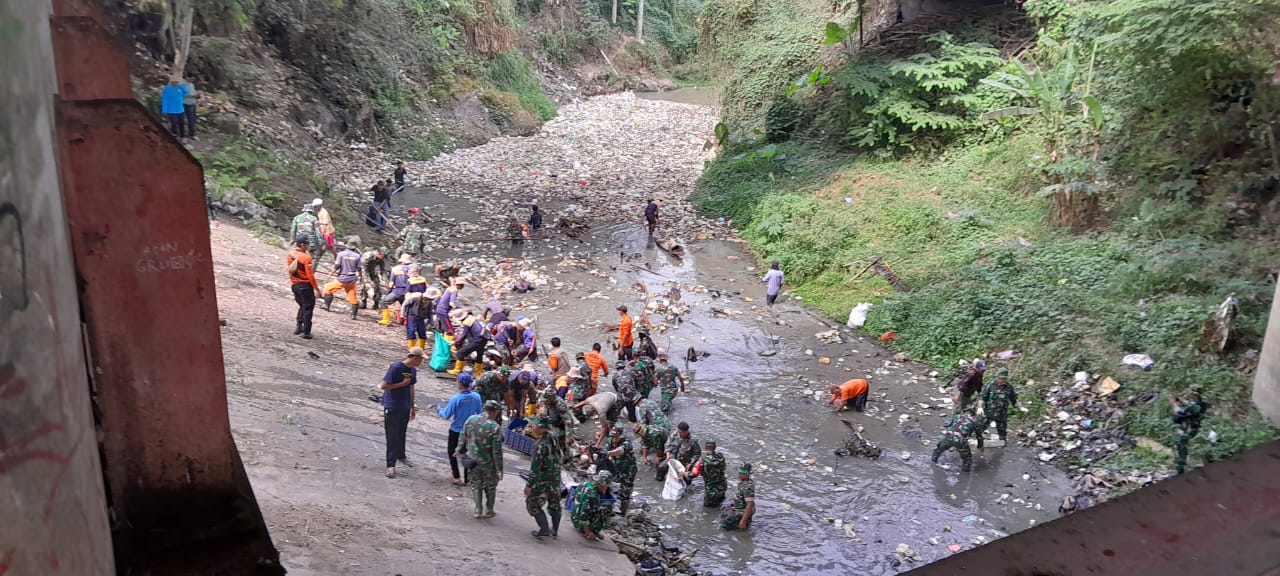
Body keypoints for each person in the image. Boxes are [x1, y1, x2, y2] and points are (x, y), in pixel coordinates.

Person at [381, 347, 423, 478]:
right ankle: (390, 465)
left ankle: (401, 455)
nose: (421, 362)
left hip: (404, 406)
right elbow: (384, 386)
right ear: (415, 358)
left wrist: (412, 406)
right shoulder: (396, 368)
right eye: (421, 359)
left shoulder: (412, 370)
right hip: (393, 405)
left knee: (401, 432)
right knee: (392, 435)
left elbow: (411, 387)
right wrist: (400, 384)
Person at [458, 400, 504, 518]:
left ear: (484, 408)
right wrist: (499, 469)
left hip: (472, 459)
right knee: (491, 485)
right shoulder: (495, 427)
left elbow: (463, 436)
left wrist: (459, 449)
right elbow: (497, 451)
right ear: (496, 411)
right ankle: (489, 509)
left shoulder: (471, 419)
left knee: (475, 483)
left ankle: (478, 509)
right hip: (488, 462)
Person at [438, 371, 482, 486]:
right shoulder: (477, 397)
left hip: (456, 430)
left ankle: (456, 476)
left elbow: (446, 415)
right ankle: (468, 478)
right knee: (467, 453)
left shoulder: (456, 399)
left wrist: (439, 409)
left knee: (452, 452)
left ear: (460, 384)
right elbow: (480, 413)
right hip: (470, 431)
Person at [524, 417, 563, 539]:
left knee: (533, 503)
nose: (533, 428)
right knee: (555, 504)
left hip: (543, 479)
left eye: (535, 426)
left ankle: (544, 529)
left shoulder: (541, 445)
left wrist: (529, 485)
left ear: (541, 427)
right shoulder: (554, 436)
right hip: (555, 478)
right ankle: (554, 530)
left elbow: (536, 468)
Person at [931, 406, 984, 472]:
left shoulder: (956, 417)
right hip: (961, 441)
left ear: (963, 412)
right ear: (973, 414)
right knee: (967, 460)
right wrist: (980, 446)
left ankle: (932, 463)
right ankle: (965, 475)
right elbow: (979, 437)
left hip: (949, 437)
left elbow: (949, 424)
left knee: (938, 450)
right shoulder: (975, 422)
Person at [286, 235, 319, 339]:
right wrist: (316, 288)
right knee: (308, 308)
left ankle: (298, 326)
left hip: (295, 285)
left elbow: (290, 270)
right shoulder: (306, 258)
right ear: (302, 245)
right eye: (307, 244)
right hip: (305, 286)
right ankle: (306, 332)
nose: (309, 246)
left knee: (302, 306)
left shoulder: (290, 254)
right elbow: (310, 275)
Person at [1171, 389, 1209, 474]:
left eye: (1192, 394)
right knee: (1181, 446)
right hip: (1193, 429)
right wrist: (1181, 401)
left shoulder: (1197, 406)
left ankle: (1181, 469)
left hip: (1189, 430)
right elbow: (1189, 405)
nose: (1190, 396)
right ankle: (1182, 467)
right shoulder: (1200, 405)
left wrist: (1174, 405)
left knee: (1180, 446)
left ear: (1194, 395)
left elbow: (1180, 414)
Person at [321, 243, 363, 319]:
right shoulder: (357, 256)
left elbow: (337, 266)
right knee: (352, 297)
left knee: (327, 288)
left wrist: (330, 274)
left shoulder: (341, 254)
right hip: (352, 280)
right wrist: (361, 277)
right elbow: (359, 269)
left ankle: (326, 305)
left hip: (342, 279)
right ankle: (353, 315)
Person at [605, 425, 638, 515]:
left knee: (625, 492)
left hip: (628, 470)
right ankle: (610, 507)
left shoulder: (627, 443)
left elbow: (619, 451)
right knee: (611, 487)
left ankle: (623, 512)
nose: (614, 439)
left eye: (616, 437)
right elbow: (606, 449)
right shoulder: (611, 440)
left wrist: (609, 453)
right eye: (613, 437)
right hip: (617, 468)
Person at [572, 470, 613, 541]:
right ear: (601, 484)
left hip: (574, 517)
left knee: (597, 506)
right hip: (580, 523)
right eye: (606, 486)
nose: (606, 488)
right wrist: (588, 532)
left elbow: (573, 498)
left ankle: (589, 528)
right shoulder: (593, 496)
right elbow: (583, 515)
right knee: (607, 507)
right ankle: (593, 530)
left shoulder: (585, 484)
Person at [980, 368, 1018, 442]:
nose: (1003, 380)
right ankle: (980, 440)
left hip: (1002, 413)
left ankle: (1002, 442)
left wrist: (1020, 407)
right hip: (989, 412)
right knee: (981, 426)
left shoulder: (1009, 387)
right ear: (997, 377)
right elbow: (982, 397)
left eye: (1005, 379)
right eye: (1001, 378)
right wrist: (980, 408)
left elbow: (1014, 400)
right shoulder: (990, 385)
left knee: (1002, 431)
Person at [537, 385, 573, 456]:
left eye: (547, 401)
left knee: (559, 442)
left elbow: (567, 421)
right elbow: (542, 407)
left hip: (560, 424)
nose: (545, 402)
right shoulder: (545, 400)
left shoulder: (559, 404)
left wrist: (568, 435)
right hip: (551, 419)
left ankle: (564, 455)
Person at [379, 254, 413, 325]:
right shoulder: (411, 270)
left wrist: (389, 291)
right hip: (407, 292)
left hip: (397, 291)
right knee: (406, 306)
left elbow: (391, 283)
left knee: (383, 302)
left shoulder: (395, 269)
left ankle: (386, 320)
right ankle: (406, 321)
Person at [720, 463, 755, 531]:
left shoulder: (747, 487)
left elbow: (750, 504)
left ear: (747, 474)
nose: (739, 475)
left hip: (742, 510)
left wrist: (743, 521)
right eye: (739, 472)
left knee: (724, 525)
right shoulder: (743, 482)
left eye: (741, 473)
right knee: (724, 509)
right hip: (740, 506)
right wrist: (734, 503)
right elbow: (740, 496)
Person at [692, 438, 726, 508]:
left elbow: (693, 474)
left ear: (705, 447)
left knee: (708, 509)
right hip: (722, 487)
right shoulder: (721, 457)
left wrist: (683, 474)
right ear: (715, 447)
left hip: (711, 491)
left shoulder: (703, 461)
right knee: (720, 506)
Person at [635, 398, 668, 469]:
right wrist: (644, 457)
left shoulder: (654, 434)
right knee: (643, 449)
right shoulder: (644, 432)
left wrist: (658, 456)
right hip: (654, 431)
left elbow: (658, 447)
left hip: (663, 432)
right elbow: (644, 443)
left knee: (660, 459)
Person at [403, 266, 430, 350]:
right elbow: (427, 289)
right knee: (421, 330)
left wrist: (403, 313)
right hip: (422, 304)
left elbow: (407, 293)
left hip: (413, 306)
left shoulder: (409, 281)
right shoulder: (423, 279)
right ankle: (420, 349)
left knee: (411, 330)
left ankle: (412, 349)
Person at [360, 246, 387, 311]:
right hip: (363, 272)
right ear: (378, 253)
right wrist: (369, 281)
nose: (383, 258)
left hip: (372, 271)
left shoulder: (381, 258)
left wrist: (384, 279)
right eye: (383, 256)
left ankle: (376, 304)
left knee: (377, 286)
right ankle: (363, 303)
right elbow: (363, 269)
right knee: (364, 287)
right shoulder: (367, 256)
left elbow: (382, 268)